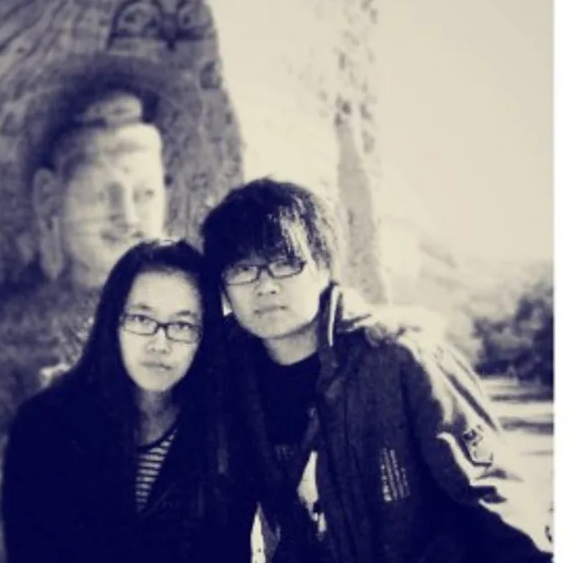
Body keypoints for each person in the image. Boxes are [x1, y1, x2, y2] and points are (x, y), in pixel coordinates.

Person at [200, 178, 553, 563]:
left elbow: (496, 503)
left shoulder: (403, 359)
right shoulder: (230, 375)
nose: (265, 286)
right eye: (243, 269)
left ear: (323, 267)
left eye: (285, 263)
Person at [0, 87, 168, 560]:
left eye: (145, 194)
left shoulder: (192, 325)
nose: (127, 216)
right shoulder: (4, 331)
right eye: (102, 194)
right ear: (50, 197)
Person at [1, 238, 255, 563]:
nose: (160, 344)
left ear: (204, 338)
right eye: (141, 319)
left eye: (182, 325)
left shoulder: (225, 431)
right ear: (113, 323)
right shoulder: (44, 426)